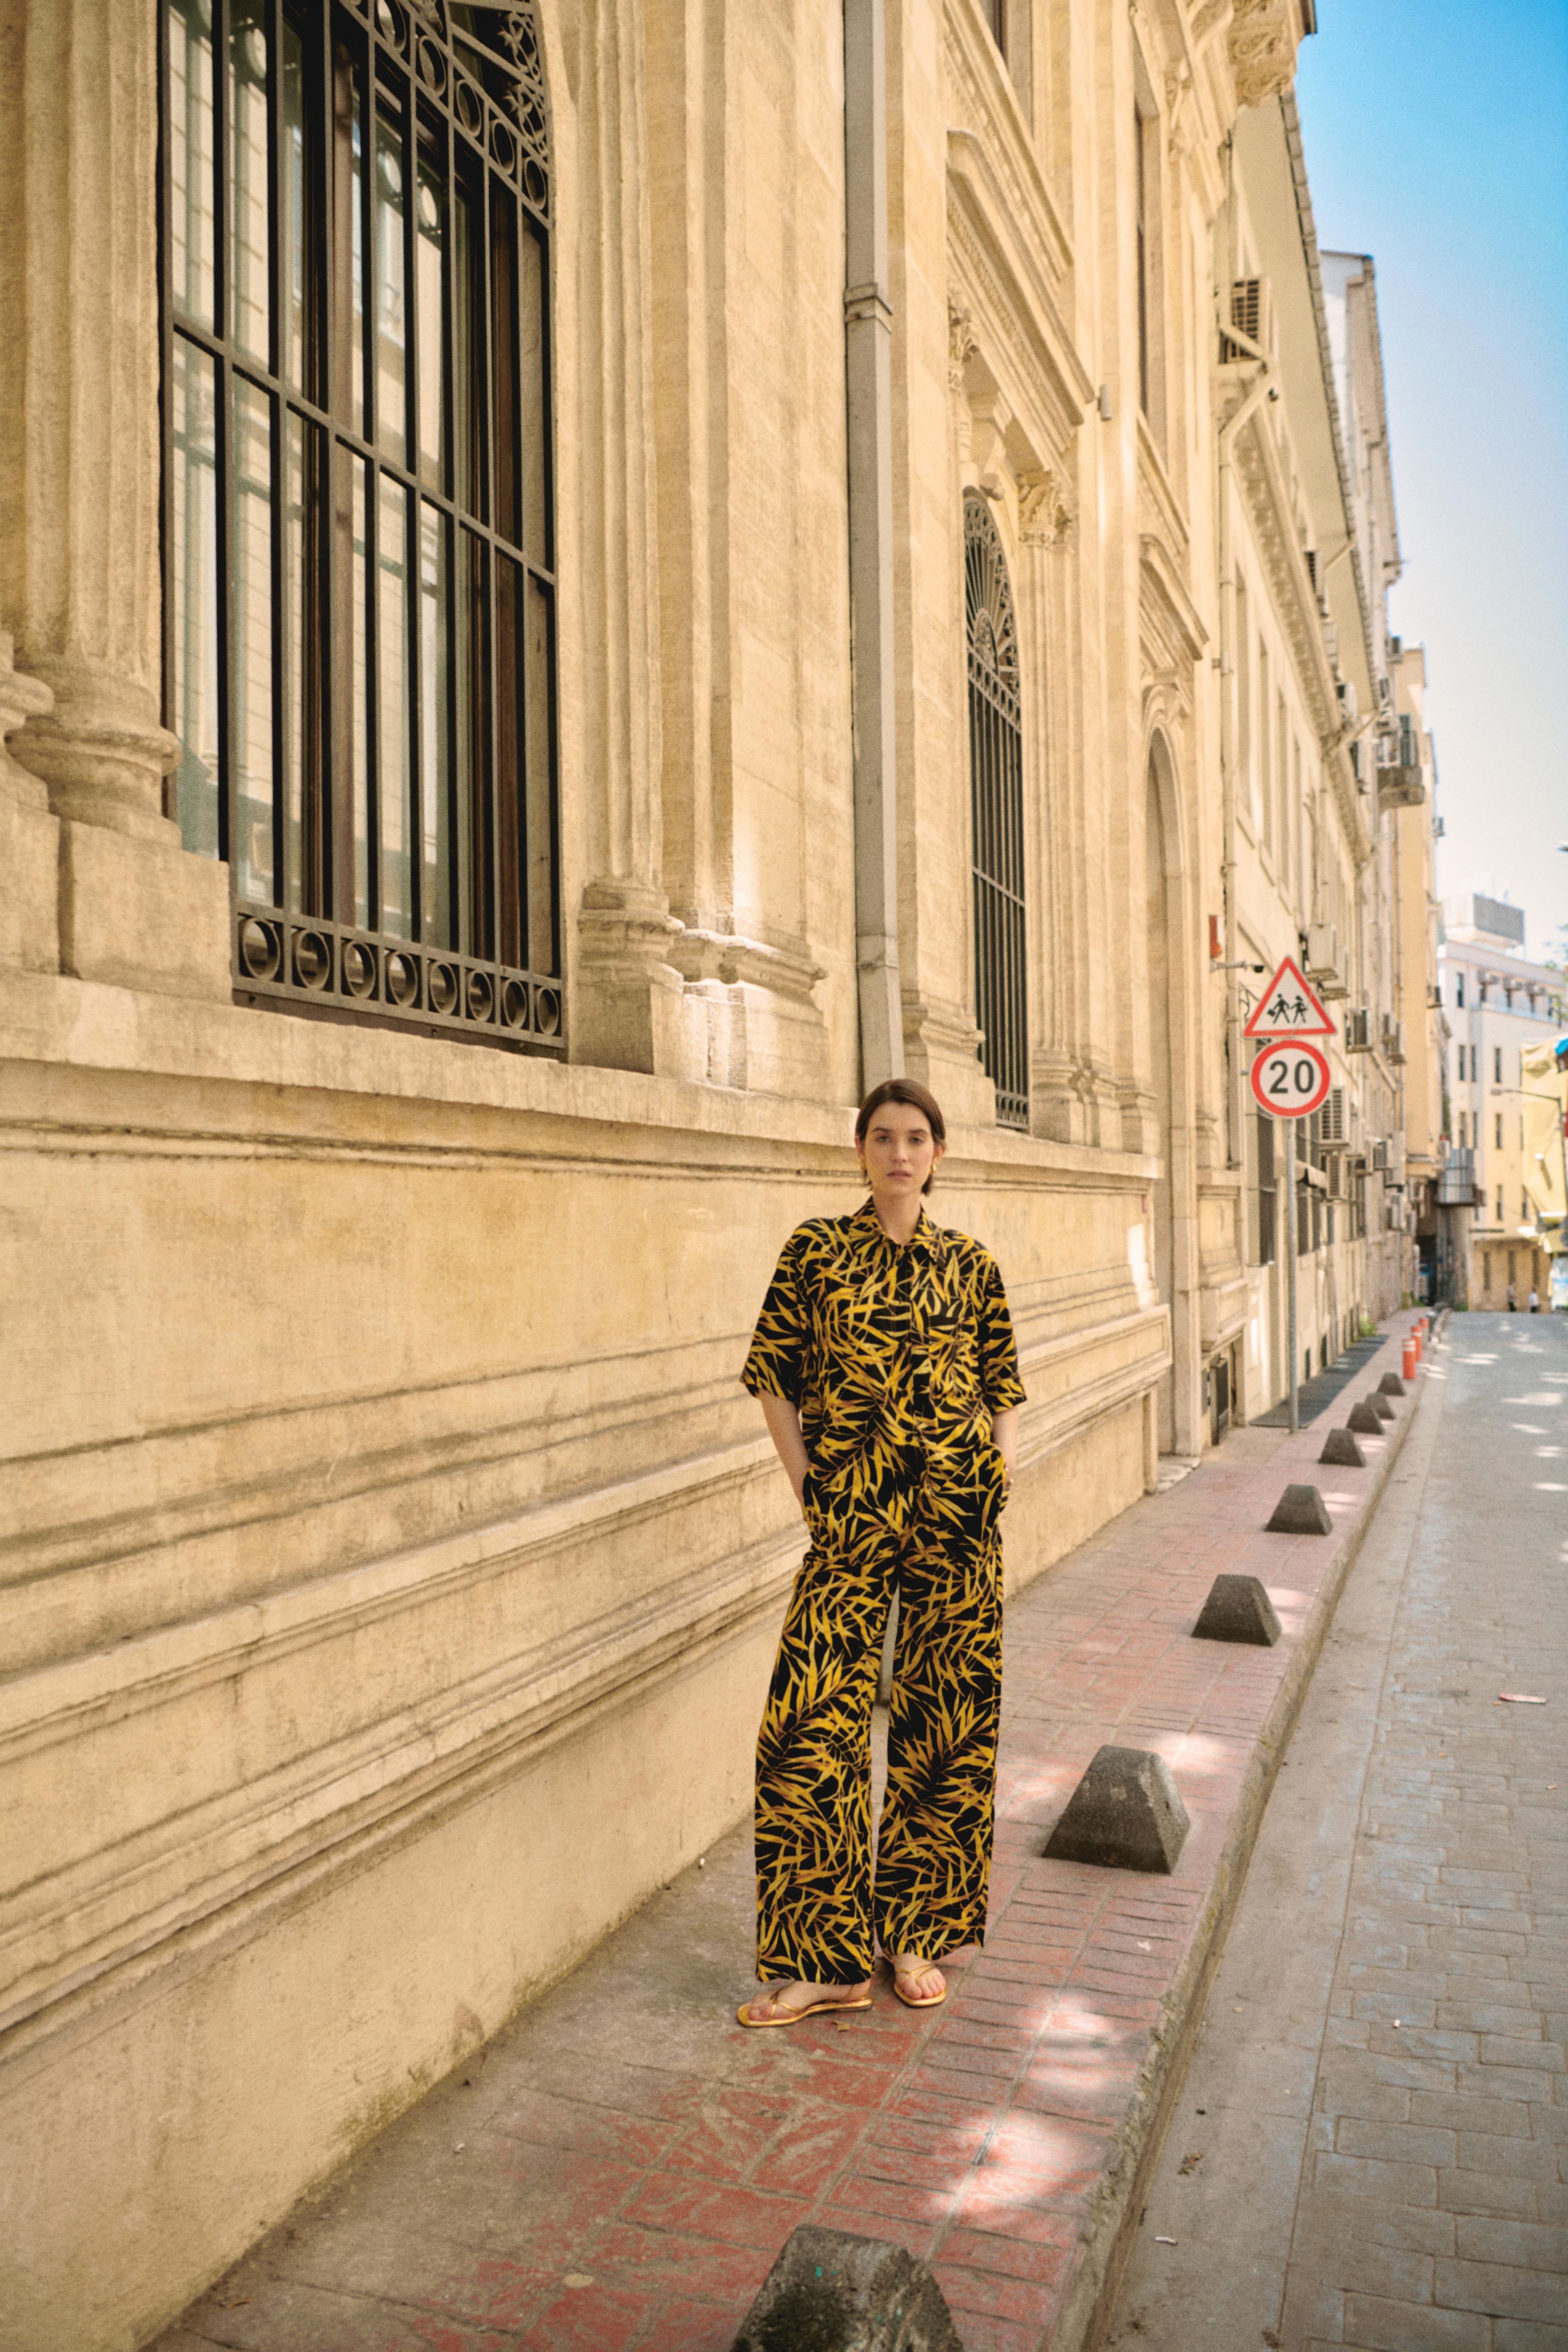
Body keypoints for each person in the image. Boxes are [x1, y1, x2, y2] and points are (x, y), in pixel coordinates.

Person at [735, 1078, 1025, 2027]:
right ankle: (827, 1962)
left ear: (938, 1154)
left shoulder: (973, 1267)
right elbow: (773, 1378)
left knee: (946, 1727)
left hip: (956, 1521)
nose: (899, 1152)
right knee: (809, 1726)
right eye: (882, 1137)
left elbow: (1003, 1390)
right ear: (860, 1152)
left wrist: (996, 1486)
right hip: (851, 1519)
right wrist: (808, 1485)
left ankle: (914, 1936)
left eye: (916, 1138)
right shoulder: (816, 1252)